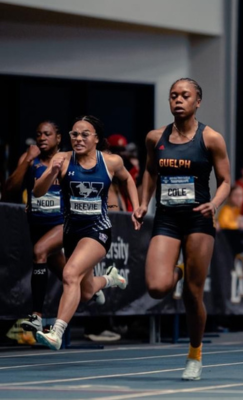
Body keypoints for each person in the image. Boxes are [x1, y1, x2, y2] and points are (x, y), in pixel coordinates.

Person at [134, 78, 231, 381]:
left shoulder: (210, 138)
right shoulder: (155, 138)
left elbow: (226, 180)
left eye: (185, 95)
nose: (178, 100)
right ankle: (176, 271)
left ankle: (195, 353)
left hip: (199, 219)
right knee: (157, 287)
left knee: (192, 293)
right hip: (166, 218)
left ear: (197, 101)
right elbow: (150, 171)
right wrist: (142, 202)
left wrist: (214, 204)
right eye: (173, 95)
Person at [33, 115, 141, 350]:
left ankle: (56, 333)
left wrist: (137, 207)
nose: (78, 138)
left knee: (70, 274)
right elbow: (38, 191)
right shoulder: (61, 159)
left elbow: (127, 181)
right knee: (85, 291)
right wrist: (52, 173)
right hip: (72, 232)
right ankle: (110, 279)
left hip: (98, 230)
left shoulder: (111, 162)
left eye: (84, 134)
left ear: (96, 139)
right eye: (74, 134)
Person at [4, 121, 100, 333]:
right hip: (38, 225)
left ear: (58, 138)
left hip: (63, 223)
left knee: (40, 251)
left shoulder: (68, 159)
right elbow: (9, 190)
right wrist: (27, 159)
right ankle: (103, 282)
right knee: (79, 286)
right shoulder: (30, 160)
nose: (42, 138)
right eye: (38, 134)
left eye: (47, 134)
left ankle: (36, 316)